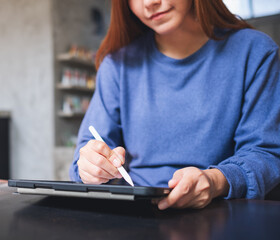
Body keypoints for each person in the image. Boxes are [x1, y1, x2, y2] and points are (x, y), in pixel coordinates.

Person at [69, 0, 280, 210]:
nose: (150, 3)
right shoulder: (117, 65)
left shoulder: (256, 52)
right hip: (132, 216)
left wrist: (216, 181)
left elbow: (264, 152)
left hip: (223, 214)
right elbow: (88, 149)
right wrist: (90, 166)